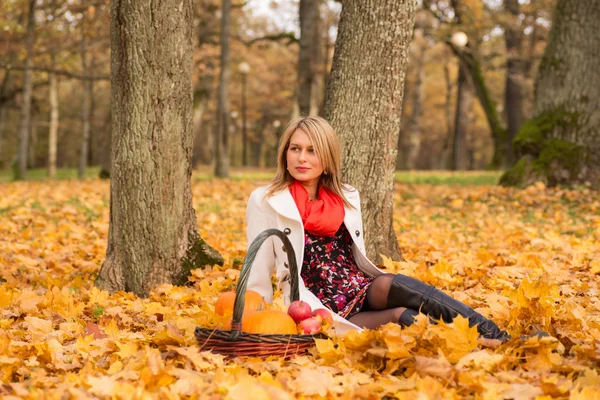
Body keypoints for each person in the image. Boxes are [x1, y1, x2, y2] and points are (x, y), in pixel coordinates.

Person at [245, 116, 509, 340]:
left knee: (395, 284)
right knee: (403, 317)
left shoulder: (345, 197)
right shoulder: (267, 200)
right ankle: (476, 342)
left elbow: (352, 256)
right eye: (295, 149)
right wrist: (257, 322)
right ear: (285, 154)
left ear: (326, 158)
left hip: (358, 286)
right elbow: (257, 268)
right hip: (320, 305)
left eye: (312, 150)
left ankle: (494, 335)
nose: (302, 158)